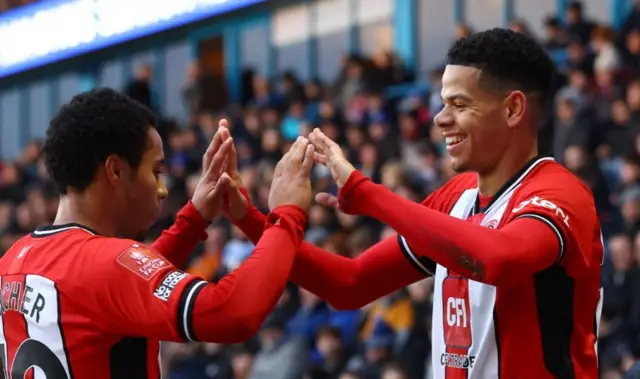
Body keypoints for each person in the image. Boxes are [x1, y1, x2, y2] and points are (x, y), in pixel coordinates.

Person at [224, 29, 603, 378]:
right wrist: (248, 217)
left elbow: (496, 261)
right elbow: (350, 284)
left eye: (459, 104)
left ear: (513, 110)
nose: (440, 118)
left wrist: (367, 194)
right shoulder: (456, 195)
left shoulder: (561, 195)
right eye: (442, 103)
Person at [0, 88, 315, 379]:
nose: (163, 189)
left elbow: (113, 289)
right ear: (116, 170)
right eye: (156, 172)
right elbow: (232, 313)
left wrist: (193, 220)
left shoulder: (12, 262)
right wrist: (286, 215)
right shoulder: (102, 263)